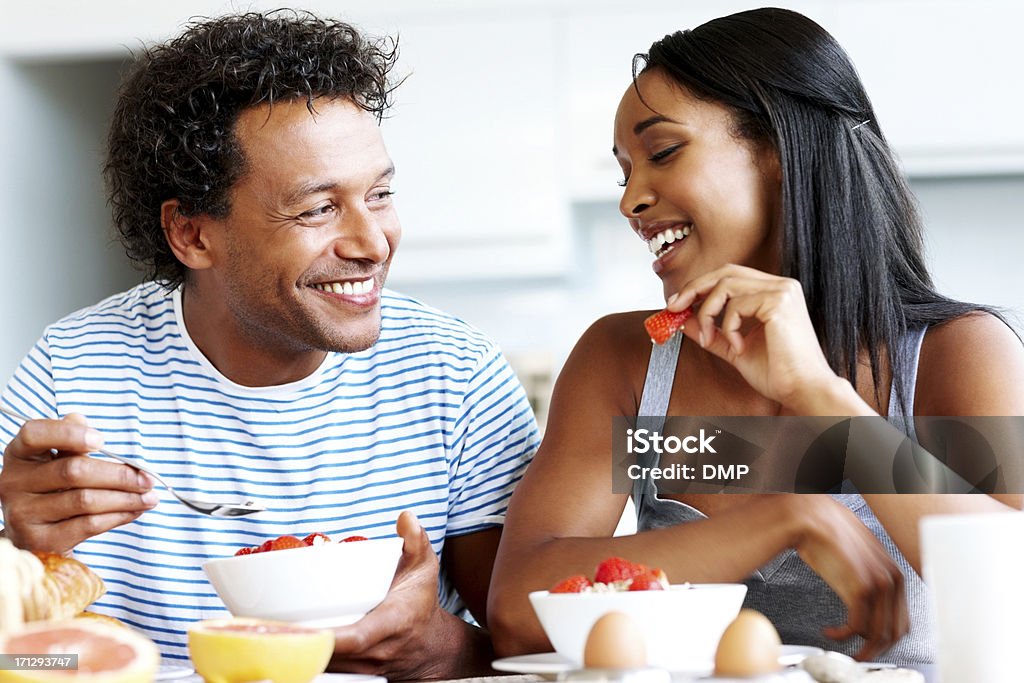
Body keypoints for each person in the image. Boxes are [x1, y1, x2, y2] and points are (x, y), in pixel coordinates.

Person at [0, 10, 539, 678]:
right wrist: (16, 551)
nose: (372, 243)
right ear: (192, 234)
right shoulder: (70, 375)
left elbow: (542, 652)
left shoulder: (456, 376)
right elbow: (28, 658)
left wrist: (439, 648)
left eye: (380, 193)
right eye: (318, 208)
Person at [488, 7, 1024, 667]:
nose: (631, 200)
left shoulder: (956, 352)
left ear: (778, 149)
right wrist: (777, 521)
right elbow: (516, 609)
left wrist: (819, 396)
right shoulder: (626, 360)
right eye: (624, 171)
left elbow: (1014, 591)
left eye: (662, 153)